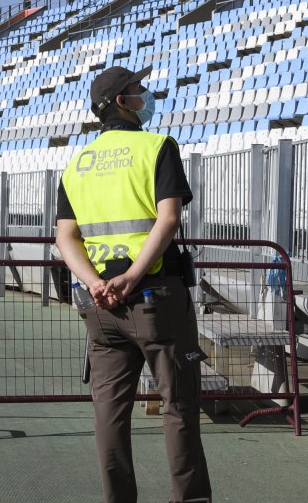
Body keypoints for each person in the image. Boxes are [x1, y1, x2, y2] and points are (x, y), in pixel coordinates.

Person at [55, 65, 212, 503]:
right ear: (122, 102)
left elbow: (65, 236)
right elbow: (169, 218)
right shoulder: (157, 146)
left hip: (100, 307)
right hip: (155, 298)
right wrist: (132, 275)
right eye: (138, 90)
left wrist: (96, 283)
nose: (146, 95)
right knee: (178, 408)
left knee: (109, 413)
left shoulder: (77, 163)